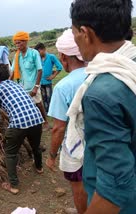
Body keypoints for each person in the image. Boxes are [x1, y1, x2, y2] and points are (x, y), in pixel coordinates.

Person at [70, 0, 136, 213]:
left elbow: (116, 184)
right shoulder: (131, 67)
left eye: (75, 34)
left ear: (85, 33)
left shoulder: (101, 94)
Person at [45, 29, 87, 214]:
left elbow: (58, 128)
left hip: (77, 148)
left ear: (63, 56)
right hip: (102, 143)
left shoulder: (63, 87)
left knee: (78, 186)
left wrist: (52, 155)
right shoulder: (99, 73)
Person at [0, 63, 44, 195]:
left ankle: (13, 185)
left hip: (18, 124)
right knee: (36, 146)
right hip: (36, 119)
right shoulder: (17, 85)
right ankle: (39, 167)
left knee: (10, 153)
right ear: (8, 75)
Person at [11, 31, 49, 130]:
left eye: (19, 42)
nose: (17, 45)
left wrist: (36, 87)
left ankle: (45, 122)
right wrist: (8, 84)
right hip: (21, 86)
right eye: (16, 43)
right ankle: (33, 123)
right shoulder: (17, 55)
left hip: (33, 85)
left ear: (25, 41)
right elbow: (12, 71)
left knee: (38, 103)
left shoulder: (34, 53)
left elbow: (40, 70)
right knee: (26, 105)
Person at [34, 42, 63, 113]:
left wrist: (53, 76)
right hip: (40, 82)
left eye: (39, 51)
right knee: (43, 98)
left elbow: (59, 67)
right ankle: (47, 111)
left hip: (48, 82)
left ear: (44, 49)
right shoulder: (37, 59)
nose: (38, 54)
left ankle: (52, 111)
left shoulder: (51, 57)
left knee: (49, 97)